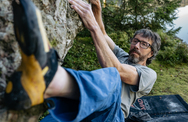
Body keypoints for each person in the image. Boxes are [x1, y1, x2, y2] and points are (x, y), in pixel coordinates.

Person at [4, 0, 161, 121]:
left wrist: (92, 25)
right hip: (86, 103)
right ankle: (30, 88)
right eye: (135, 40)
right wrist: (96, 7)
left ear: (151, 53)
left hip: (110, 116)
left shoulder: (149, 74)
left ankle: (48, 77)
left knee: (112, 76)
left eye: (144, 44)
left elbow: (118, 70)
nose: (136, 45)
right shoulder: (122, 55)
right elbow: (104, 35)